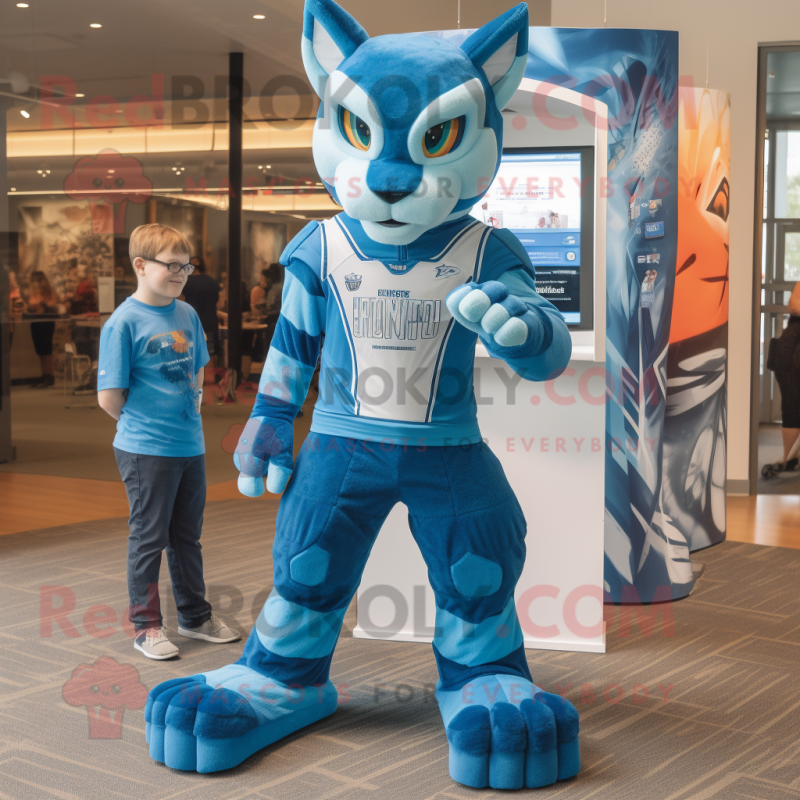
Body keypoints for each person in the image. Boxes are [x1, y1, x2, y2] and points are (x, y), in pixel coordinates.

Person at [97, 223, 240, 660]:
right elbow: (109, 398)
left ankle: (194, 616)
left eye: (186, 267)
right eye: (172, 266)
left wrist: (191, 407)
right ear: (141, 265)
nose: (181, 274)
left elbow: (198, 367)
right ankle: (146, 627)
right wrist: (146, 425)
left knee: (186, 538)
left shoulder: (187, 313)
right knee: (148, 538)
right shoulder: (123, 322)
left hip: (189, 445)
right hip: (146, 449)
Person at [768, 281, 800, 472]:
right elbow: (793, 305)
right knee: (791, 406)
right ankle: (788, 459)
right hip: (791, 353)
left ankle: (794, 457)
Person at [181, 255, 221, 368]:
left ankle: (196, 378)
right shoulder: (212, 282)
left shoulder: (185, 283)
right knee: (210, 352)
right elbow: (219, 303)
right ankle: (210, 377)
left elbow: (180, 304)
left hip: (191, 324)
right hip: (210, 324)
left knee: (191, 353)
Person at [25, 271, 60, 388]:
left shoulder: (48, 292)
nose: (34, 283)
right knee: (40, 350)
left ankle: (50, 376)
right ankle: (44, 375)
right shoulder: (33, 292)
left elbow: (51, 304)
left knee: (46, 350)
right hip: (36, 322)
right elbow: (31, 305)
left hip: (46, 323)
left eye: (36, 280)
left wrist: (41, 303)